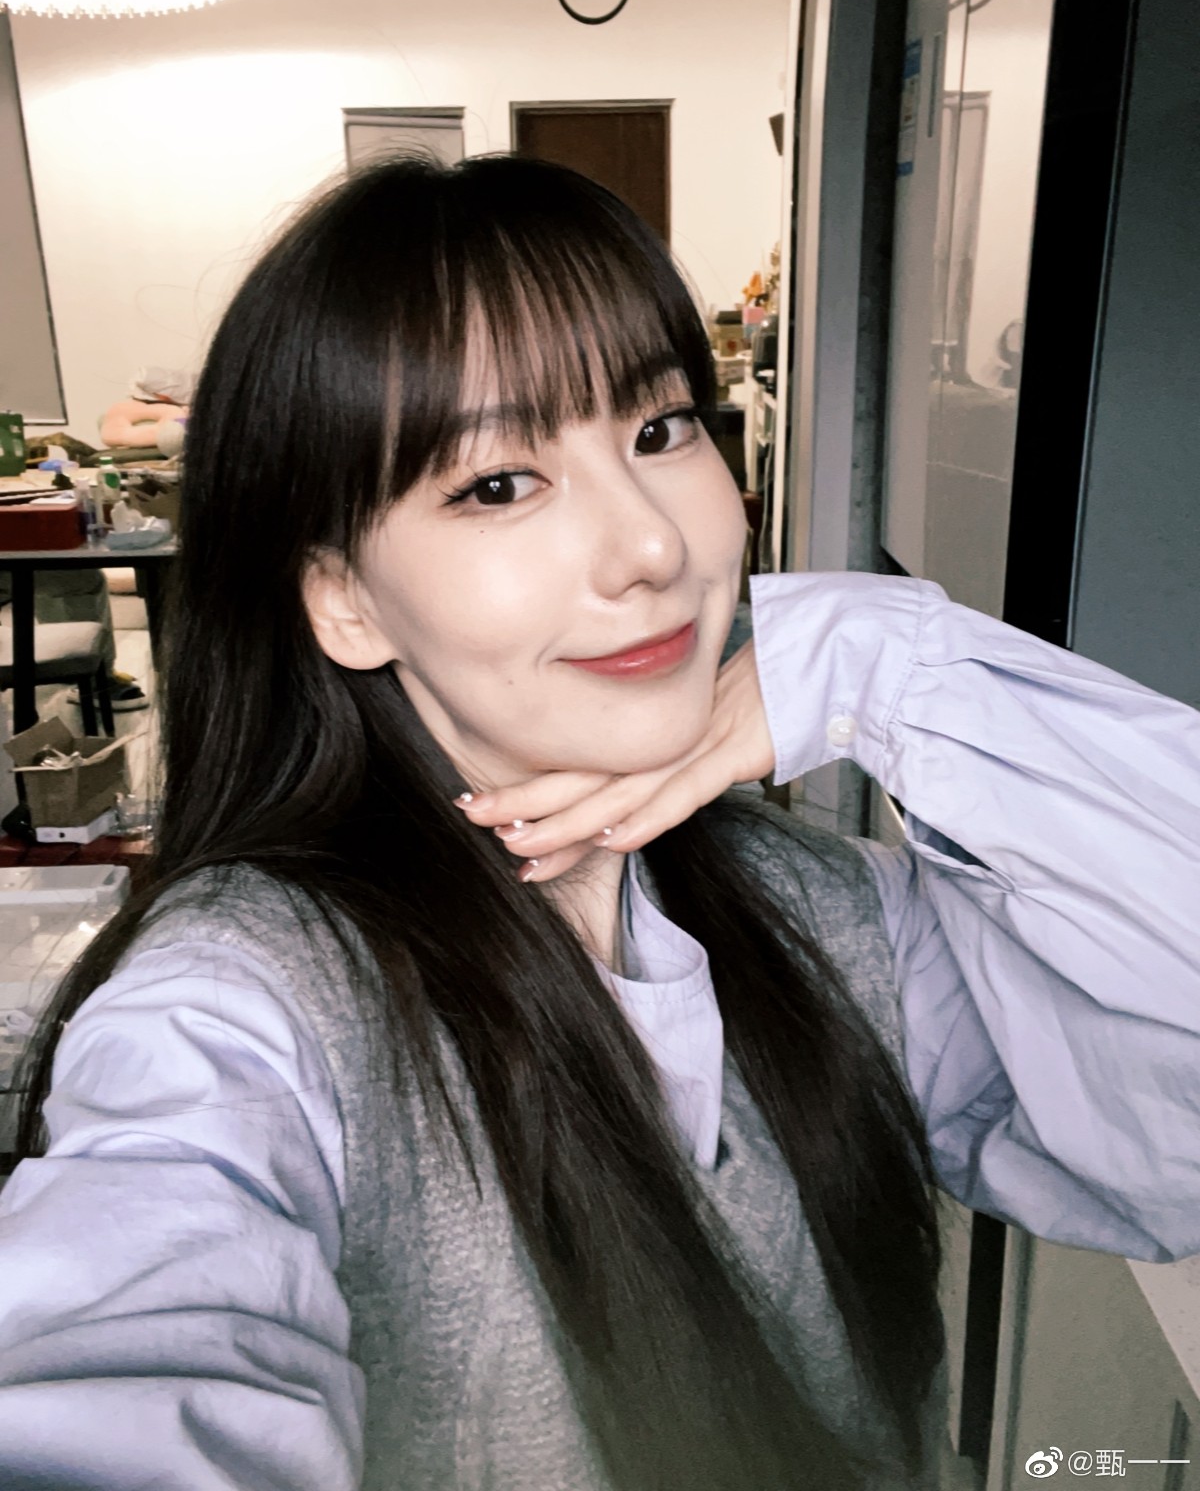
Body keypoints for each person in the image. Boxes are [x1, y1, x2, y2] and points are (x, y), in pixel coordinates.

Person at [0, 156, 1196, 1491]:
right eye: (497, 485)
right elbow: (123, 1346)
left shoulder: (822, 912)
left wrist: (886, 667)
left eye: (661, 428)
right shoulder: (241, 1006)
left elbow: (1177, 1134)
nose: (651, 549)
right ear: (344, 601)